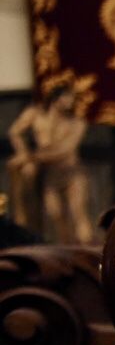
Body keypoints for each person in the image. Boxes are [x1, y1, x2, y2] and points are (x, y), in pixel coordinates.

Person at [7, 85, 94, 244]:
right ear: (56, 97)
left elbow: (65, 150)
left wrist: (30, 157)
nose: (70, 102)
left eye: (72, 99)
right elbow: (15, 132)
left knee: (78, 214)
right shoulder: (36, 115)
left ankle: (86, 250)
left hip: (71, 172)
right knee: (55, 214)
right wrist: (22, 152)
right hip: (50, 175)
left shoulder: (77, 123)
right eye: (67, 97)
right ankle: (65, 250)